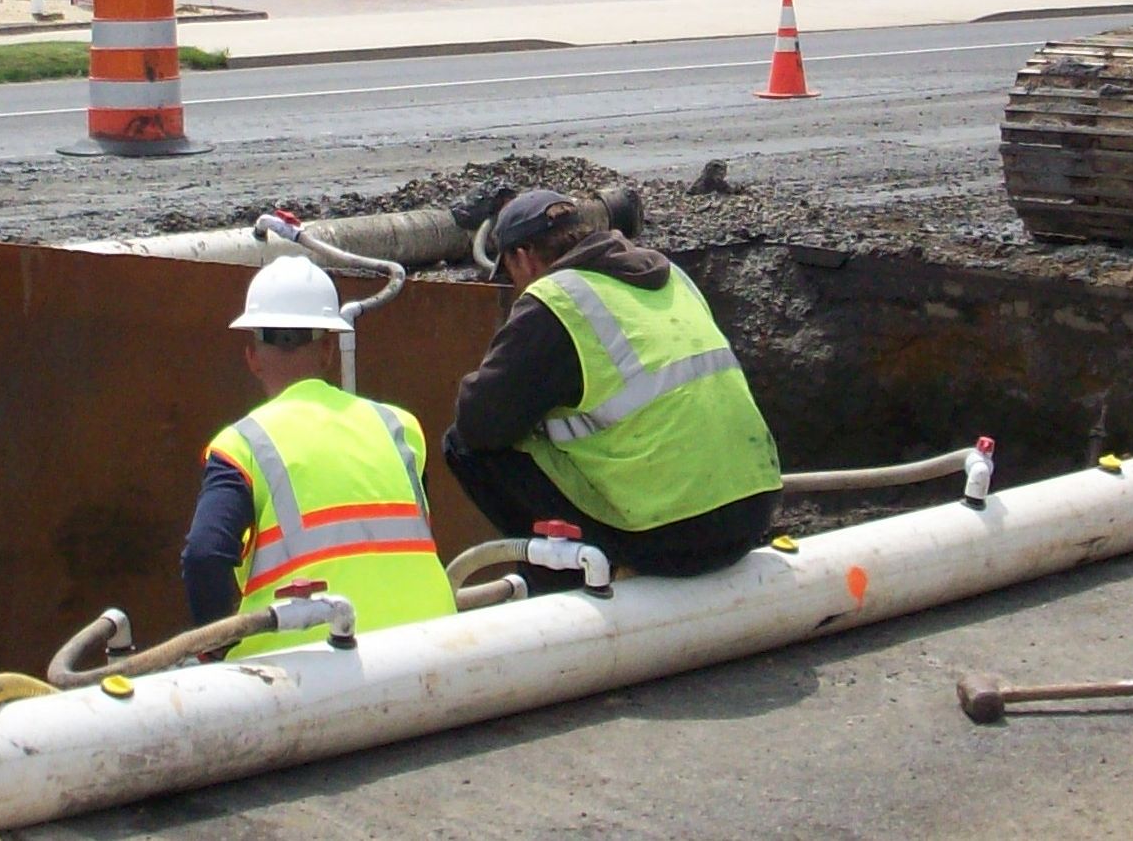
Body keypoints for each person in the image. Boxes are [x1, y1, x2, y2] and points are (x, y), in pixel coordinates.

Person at [444, 189, 781, 581]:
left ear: (522, 257)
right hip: (753, 511)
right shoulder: (671, 277)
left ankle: (566, 579)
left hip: (673, 535)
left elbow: (479, 422)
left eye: (508, 272)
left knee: (465, 446)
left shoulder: (557, 301)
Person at [180, 256, 456, 656]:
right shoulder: (400, 428)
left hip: (304, 663)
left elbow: (205, 556)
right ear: (329, 350)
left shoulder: (242, 444)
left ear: (252, 357)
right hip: (433, 645)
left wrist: (215, 651)